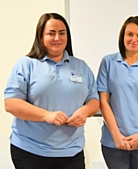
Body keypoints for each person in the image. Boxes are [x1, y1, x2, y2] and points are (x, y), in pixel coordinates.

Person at [4, 13, 99, 169]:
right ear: (41, 37)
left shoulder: (81, 67)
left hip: (72, 152)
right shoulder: (26, 65)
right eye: (51, 33)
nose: (57, 38)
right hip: (30, 151)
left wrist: (85, 111)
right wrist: (46, 116)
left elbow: (94, 100)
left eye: (62, 33)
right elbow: (11, 104)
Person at [97, 16, 138, 169]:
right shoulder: (108, 62)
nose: (134, 39)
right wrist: (116, 136)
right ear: (123, 36)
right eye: (129, 34)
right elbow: (103, 102)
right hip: (114, 142)